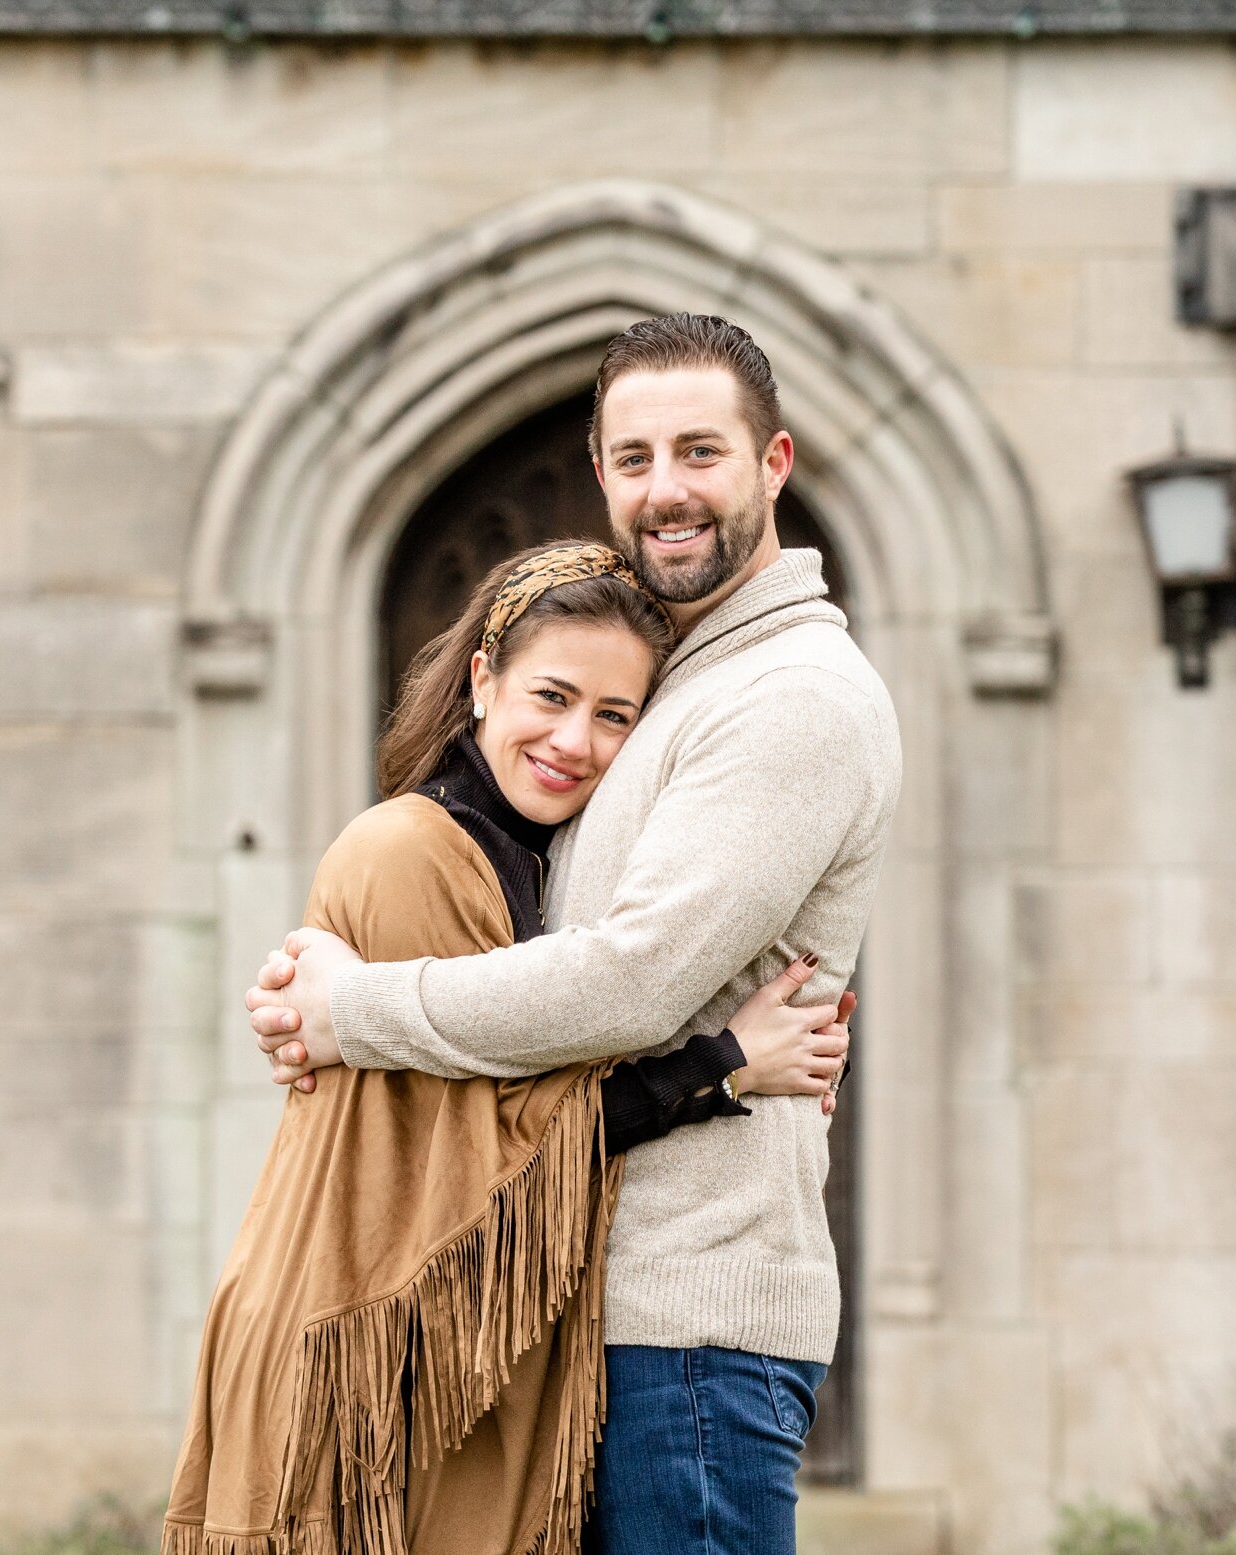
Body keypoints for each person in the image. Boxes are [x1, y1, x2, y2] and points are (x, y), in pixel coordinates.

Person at [248, 314, 904, 1555]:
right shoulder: (682, 677)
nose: (667, 489)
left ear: (773, 464)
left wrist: (352, 1009)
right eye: (635, 456)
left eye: (699, 451)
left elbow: (628, 979)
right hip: (603, 1312)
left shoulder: (792, 696)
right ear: (601, 473)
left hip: (692, 1326)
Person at [166, 539, 855, 1555]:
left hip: (418, 1365)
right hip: (352, 1358)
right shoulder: (411, 851)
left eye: (614, 715)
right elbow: (479, 1160)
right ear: (483, 679)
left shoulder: (536, 864)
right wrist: (719, 1066)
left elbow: (523, 1082)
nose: (574, 739)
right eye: (552, 695)